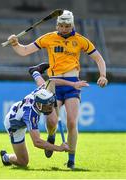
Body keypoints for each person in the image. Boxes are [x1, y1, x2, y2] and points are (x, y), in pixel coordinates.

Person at [6, 9, 108, 169]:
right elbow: (24, 50)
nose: (64, 28)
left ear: (72, 25)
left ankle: (71, 160)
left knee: (72, 122)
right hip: (53, 84)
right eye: (61, 25)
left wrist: (102, 75)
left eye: (67, 25)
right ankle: (52, 135)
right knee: (52, 121)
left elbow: (98, 58)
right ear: (57, 25)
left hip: (72, 83)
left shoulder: (81, 40)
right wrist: (15, 44)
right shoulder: (49, 38)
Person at [0, 85, 70, 167]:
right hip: (14, 126)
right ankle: (6, 157)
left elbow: (47, 83)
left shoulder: (40, 94)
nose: (51, 109)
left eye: (51, 105)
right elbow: (37, 142)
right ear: (40, 105)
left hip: (19, 112)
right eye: (48, 106)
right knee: (23, 162)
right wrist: (59, 148)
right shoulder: (30, 115)